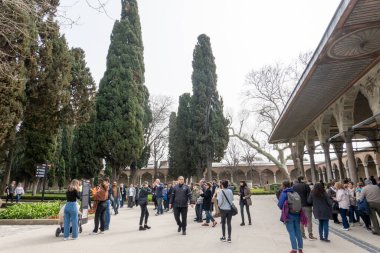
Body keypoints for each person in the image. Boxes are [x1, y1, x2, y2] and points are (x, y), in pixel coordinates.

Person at [278, 180, 304, 253]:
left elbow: (280, 204)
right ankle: (300, 249)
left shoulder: (284, 193)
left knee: (291, 232)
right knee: (298, 232)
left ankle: (294, 249)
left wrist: (284, 208)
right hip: (297, 214)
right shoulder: (295, 192)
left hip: (288, 215)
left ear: (283, 185)